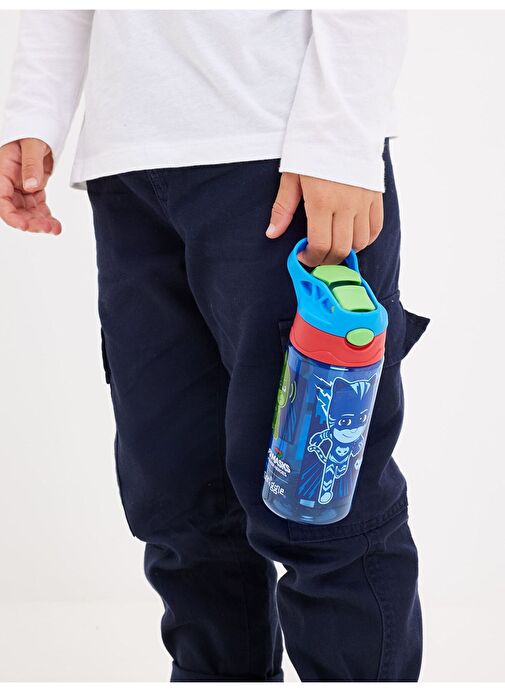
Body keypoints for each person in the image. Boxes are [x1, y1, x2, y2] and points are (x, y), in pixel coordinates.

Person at [0, 10, 429, 682]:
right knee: (181, 503)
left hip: (280, 153)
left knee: (319, 501)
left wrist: (342, 134)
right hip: (127, 167)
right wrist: (34, 111)